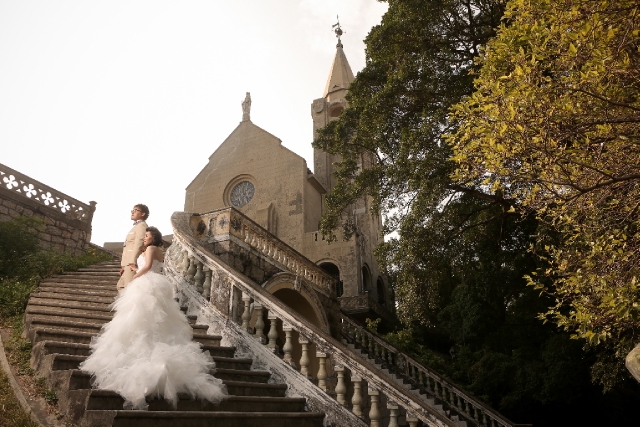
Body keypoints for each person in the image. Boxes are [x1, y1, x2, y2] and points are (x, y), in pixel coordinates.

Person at [80, 226, 227, 410]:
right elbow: (152, 266)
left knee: (139, 317)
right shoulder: (157, 250)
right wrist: (135, 267)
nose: (145, 238)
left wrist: (134, 278)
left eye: (147, 235)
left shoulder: (150, 248)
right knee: (150, 319)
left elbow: (148, 267)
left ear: (154, 237)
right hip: (155, 282)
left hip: (146, 284)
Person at [117, 204, 149, 291]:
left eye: (136, 210)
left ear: (142, 214)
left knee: (129, 289)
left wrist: (132, 261)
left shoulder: (142, 225)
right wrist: (124, 266)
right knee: (121, 287)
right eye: (132, 210)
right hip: (127, 264)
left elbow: (139, 243)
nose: (133, 212)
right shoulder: (136, 226)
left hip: (131, 263)